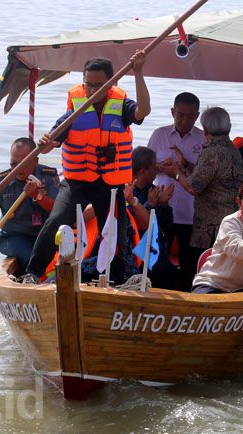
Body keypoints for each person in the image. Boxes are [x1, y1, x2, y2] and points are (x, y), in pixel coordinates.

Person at [19, 52, 150, 285]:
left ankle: (117, 280)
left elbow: (143, 111)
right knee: (57, 219)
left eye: (99, 85)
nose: (93, 90)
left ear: (112, 83)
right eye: (88, 84)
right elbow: (50, 145)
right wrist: (45, 143)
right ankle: (32, 273)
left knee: (116, 231)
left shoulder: (121, 107)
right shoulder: (75, 110)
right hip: (77, 182)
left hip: (109, 184)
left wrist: (138, 72)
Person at [170, 107, 243, 287]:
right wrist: (185, 165)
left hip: (210, 226)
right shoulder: (232, 149)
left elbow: (194, 187)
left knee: (202, 269)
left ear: (204, 130)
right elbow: (211, 175)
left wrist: (176, 172)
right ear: (229, 127)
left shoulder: (212, 151)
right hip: (231, 221)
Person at [149, 92, 204, 291]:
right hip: (164, 210)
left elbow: (205, 177)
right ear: (172, 112)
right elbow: (146, 168)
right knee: (156, 262)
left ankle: (188, 300)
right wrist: (162, 167)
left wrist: (184, 166)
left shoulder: (203, 138)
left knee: (190, 265)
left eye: (190, 116)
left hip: (191, 214)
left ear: (197, 116)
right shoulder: (159, 134)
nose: (185, 120)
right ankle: (156, 296)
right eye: (180, 115)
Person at [0, 137, 59, 271]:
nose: (18, 169)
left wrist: (37, 195)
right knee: (31, 258)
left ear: (35, 161)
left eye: (24, 163)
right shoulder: (3, 181)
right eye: (13, 164)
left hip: (44, 234)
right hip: (14, 236)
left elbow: (57, 209)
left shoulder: (48, 176)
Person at [123, 146, 176, 288]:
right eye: (154, 167)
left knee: (168, 272)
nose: (157, 170)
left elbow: (166, 227)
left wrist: (164, 206)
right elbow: (132, 224)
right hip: (134, 252)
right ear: (143, 171)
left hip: (156, 252)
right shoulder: (125, 191)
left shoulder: (154, 191)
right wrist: (149, 206)